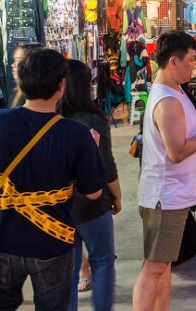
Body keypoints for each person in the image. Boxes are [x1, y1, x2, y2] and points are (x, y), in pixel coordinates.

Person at [0, 48, 106, 310]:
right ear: (60, 86)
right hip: (52, 242)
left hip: (5, 238)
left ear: (20, 81)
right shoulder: (77, 133)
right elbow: (94, 192)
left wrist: (6, 169)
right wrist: (90, 151)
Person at [133, 31, 196, 311]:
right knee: (154, 268)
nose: (195, 65)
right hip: (166, 197)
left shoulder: (174, 92)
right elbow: (176, 152)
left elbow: (181, 136)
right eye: (190, 60)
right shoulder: (168, 100)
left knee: (163, 266)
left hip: (172, 195)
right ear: (174, 62)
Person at [60, 59, 122, 311]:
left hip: (60, 205)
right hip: (92, 203)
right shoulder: (93, 119)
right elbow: (106, 163)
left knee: (69, 269)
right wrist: (117, 196)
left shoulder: (51, 117)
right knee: (103, 261)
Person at [10, 41, 47, 107]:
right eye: (14, 60)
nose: (13, 65)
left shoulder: (38, 96)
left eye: (19, 60)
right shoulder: (15, 91)